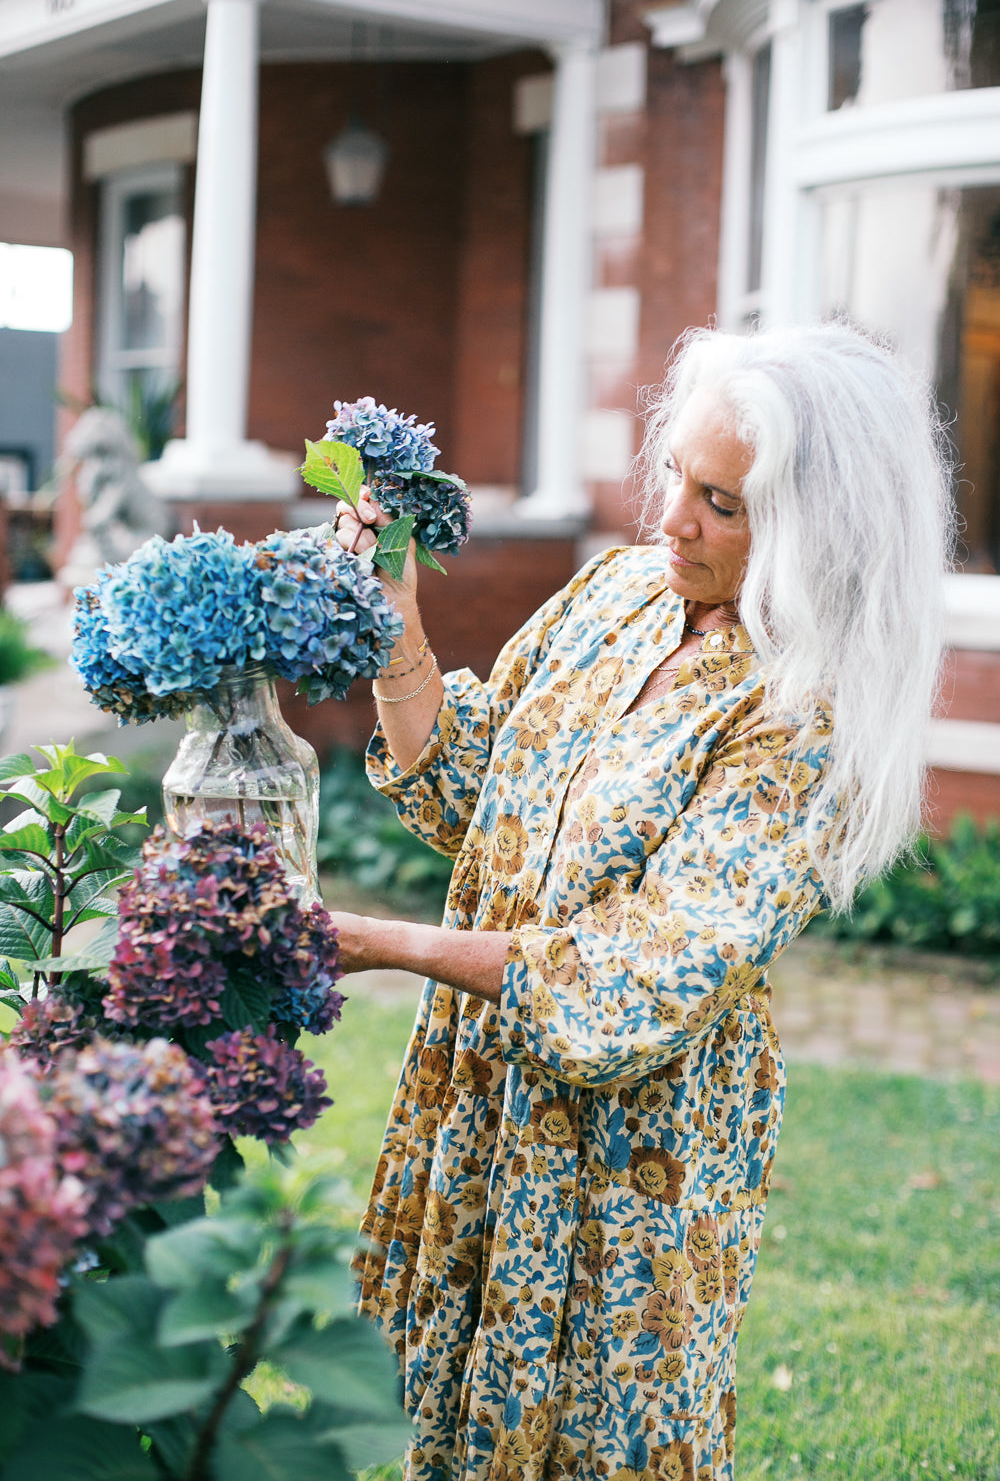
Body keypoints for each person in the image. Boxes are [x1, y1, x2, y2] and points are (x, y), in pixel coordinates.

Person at [328, 323, 952, 1481]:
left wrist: (379, 942)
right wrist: (392, 618)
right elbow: (471, 796)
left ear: (815, 531)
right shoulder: (619, 594)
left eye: (721, 503)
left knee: (594, 1437)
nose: (672, 519)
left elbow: (631, 985)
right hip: (486, 1091)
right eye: (674, 474)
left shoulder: (804, 719)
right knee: (446, 1424)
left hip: (630, 1157)